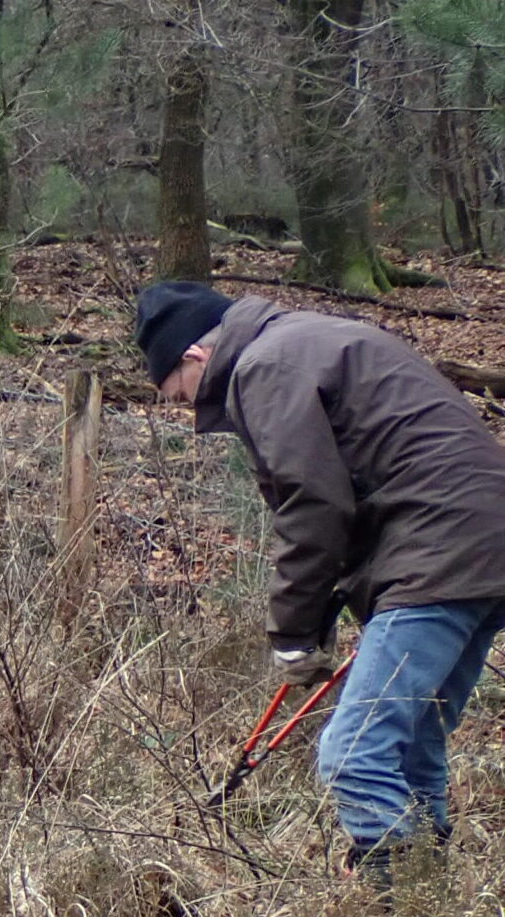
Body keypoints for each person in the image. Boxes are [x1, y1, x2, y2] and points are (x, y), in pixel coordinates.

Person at [138, 280, 505, 883]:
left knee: (353, 756)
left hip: (440, 552)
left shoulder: (265, 366)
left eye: (182, 394)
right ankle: (433, 908)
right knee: (412, 747)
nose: (190, 409)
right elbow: (364, 479)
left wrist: (291, 632)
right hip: (480, 547)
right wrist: (330, 605)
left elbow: (313, 506)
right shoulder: (314, 337)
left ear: (195, 356)